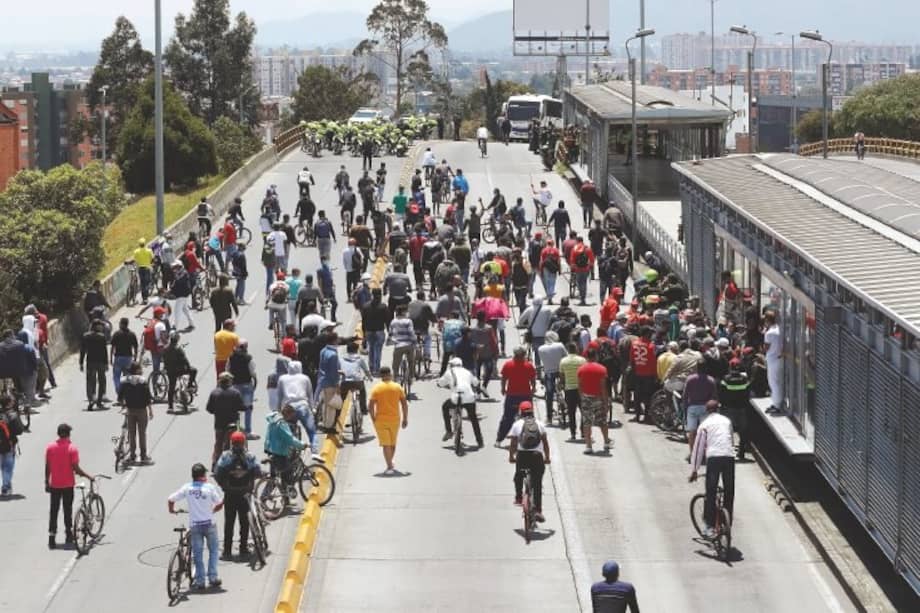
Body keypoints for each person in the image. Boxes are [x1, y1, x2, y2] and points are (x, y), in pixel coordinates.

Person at [168, 463, 224, 590]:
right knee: (213, 551)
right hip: (210, 524)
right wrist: (212, 511)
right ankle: (213, 577)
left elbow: (171, 499)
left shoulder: (187, 488)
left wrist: (172, 510)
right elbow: (220, 503)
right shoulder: (210, 488)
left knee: (197, 554)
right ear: (203, 475)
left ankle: (200, 581)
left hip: (195, 526)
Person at [689, 400, 735, 539]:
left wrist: (695, 470)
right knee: (729, 491)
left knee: (711, 491)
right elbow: (731, 440)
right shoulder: (727, 421)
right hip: (729, 457)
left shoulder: (704, 425)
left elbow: (698, 450)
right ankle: (727, 523)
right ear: (718, 409)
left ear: (707, 411)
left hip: (714, 458)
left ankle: (709, 526)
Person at [214, 431, 261, 560]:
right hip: (245, 493)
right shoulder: (250, 456)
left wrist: (224, 486)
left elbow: (217, 474)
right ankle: (243, 548)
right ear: (244, 442)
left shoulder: (225, 456)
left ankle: (227, 551)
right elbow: (257, 471)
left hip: (230, 494)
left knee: (229, 522)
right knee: (244, 522)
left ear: (231, 442)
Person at [45, 423, 93, 549]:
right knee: (68, 510)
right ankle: (68, 535)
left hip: (54, 485)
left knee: (53, 511)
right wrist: (88, 476)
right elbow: (76, 469)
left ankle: (52, 537)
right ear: (68, 434)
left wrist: (46, 481)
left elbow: (47, 466)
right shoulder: (72, 448)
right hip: (67, 485)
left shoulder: (50, 447)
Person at [509, 400, 549, 523]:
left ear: (521, 412)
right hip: (537, 456)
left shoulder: (517, 424)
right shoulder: (539, 424)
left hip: (522, 456)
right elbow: (545, 443)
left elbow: (514, 443)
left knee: (518, 475)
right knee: (537, 484)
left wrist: (511, 456)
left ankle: (519, 497)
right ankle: (538, 510)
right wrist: (547, 457)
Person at [368, 366, 409, 474]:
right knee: (392, 443)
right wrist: (405, 418)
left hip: (380, 420)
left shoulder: (376, 388)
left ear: (381, 376)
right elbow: (404, 404)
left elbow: (370, 406)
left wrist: (373, 418)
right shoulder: (397, 387)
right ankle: (390, 464)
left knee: (386, 444)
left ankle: (389, 465)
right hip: (395, 419)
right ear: (390, 374)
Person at [437, 357, 484, 448]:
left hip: (456, 398)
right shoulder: (467, 372)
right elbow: (476, 383)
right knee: (473, 418)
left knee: (445, 407)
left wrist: (440, 384)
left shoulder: (449, 372)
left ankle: (449, 431)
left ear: (452, 365)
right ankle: (479, 440)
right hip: (469, 397)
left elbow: (440, 383)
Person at [496, 347, 536, 446]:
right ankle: (532, 438)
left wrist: (503, 389)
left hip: (512, 396)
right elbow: (533, 380)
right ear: (523, 355)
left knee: (507, 418)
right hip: (525, 396)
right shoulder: (529, 365)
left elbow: (504, 379)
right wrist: (533, 389)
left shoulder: (508, 365)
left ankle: (499, 440)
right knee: (529, 418)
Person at [265, 405, 307, 495]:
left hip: (272, 450)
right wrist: (301, 445)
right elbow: (290, 438)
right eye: (291, 415)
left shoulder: (273, 420)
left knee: (278, 477)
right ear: (287, 414)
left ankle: (285, 497)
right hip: (280, 453)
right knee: (284, 475)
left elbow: (270, 436)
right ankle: (265, 496)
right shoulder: (282, 424)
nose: (291, 418)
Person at [206, 372, 246, 467]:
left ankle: (215, 462)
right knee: (231, 443)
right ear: (230, 381)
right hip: (232, 423)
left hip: (219, 423)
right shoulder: (235, 393)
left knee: (218, 443)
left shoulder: (214, 393)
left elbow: (209, 409)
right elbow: (242, 407)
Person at [118, 361, 154, 464]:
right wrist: (150, 410)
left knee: (132, 434)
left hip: (130, 410)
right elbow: (148, 398)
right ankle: (143, 456)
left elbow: (120, 397)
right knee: (142, 433)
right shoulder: (143, 381)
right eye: (140, 368)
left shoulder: (125, 381)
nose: (142, 370)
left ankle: (132, 456)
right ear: (137, 370)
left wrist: (124, 405)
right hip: (142, 410)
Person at [578, 349, 612, 455]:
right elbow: (603, 387)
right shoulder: (602, 369)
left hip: (586, 398)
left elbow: (580, 386)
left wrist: (582, 397)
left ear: (586, 356)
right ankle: (606, 442)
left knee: (587, 422)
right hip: (599, 398)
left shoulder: (581, 369)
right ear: (596, 356)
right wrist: (606, 402)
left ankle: (588, 446)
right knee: (602, 421)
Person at [682, 362, 718, 459]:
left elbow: (685, 396)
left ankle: (692, 454)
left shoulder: (690, 379)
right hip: (705, 408)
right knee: (704, 433)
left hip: (692, 408)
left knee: (692, 432)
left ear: (697, 368)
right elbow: (714, 397)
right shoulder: (711, 380)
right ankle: (704, 454)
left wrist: (685, 410)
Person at [720, 358, 751, 461]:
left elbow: (721, 393)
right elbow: (748, 393)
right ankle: (741, 452)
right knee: (743, 431)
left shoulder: (726, 379)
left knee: (728, 431)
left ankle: (728, 452)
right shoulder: (744, 379)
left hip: (729, 409)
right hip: (742, 408)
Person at [228, 341, 258, 439]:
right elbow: (253, 372)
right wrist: (255, 381)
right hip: (246, 385)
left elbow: (227, 370)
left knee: (236, 409)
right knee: (248, 408)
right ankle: (248, 431)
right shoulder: (248, 358)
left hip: (235, 385)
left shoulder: (231, 357)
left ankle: (236, 430)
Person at [629, 327, 658, 423]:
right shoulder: (651, 346)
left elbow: (632, 360)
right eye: (650, 334)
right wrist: (655, 375)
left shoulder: (634, 344)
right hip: (648, 374)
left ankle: (637, 416)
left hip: (637, 373)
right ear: (646, 334)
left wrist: (634, 372)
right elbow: (654, 362)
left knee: (637, 395)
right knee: (647, 396)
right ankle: (646, 416)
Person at [559, 342, 587, 441]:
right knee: (584, 411)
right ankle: (583, 432)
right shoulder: (582, 360)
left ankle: (573, 433)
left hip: (569, 389)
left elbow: (562, 377)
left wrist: (562, 386)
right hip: (581, 389)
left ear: (568, 350)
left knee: (571, 412)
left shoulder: (563, 361)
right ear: (576, 349)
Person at [163, 332, 197, 413]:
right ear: (177, 340)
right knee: (194, 370)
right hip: (180, 370)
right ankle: (189, 386)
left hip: (170, 371)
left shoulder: (165, 348)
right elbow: (185, 360)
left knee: (171, 387)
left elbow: (164, 359)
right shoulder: (178, 348)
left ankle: (170, 406)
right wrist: (188, 367)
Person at [79, 321, 108, 410]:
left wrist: (81, 362)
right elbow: (104, 351)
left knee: (90, 381)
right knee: (102, 381)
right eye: (100, 326)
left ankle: (91, 399)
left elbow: (83, 350)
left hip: (90, 361)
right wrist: (106, 363)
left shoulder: (86, 336)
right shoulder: (102, 337)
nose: (101, 328)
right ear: (96, 326)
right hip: (100, 362)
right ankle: (99, 401)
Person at [0, 395, 25, 496]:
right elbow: (20, 430)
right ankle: (5, 487)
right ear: (9, 403)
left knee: (3, 466)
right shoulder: (13, 415)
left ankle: (7, 484)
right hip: (9, 445)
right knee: (8, 466)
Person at [362, 289, 390, 375]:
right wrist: (389, 332)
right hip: (379, 331)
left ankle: (371, 367)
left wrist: (364, 335)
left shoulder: (365, 306)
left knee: (371, 349)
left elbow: (364, 321)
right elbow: (387, 320)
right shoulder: (383, 306)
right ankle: (377, 368)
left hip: (369, 331)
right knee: (378, 350)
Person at [110, 317, 138, 400]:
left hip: (118, 358)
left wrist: (111, 358)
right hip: (128, 358)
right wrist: (135, 358)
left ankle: (119, 394)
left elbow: (112, 347)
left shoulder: (116, 334)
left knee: (116, 377)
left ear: (121, 324)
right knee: (128, 377)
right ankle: (127, 394)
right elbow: (135, 347)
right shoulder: (132, 334)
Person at [763, 312, 783, 414]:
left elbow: (766, 348)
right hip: (779, 358)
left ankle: (777, 405)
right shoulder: (779, 329)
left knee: (773, 382)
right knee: (777, 381)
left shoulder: (769, 333)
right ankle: (776, 402)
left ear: (768, 320)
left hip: (772, 359)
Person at [569, 237, 595, 306]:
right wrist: (589, 267)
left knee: (579, 283)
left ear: (577, 241)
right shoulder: (587, 249)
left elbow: (572, 260)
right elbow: (592, 259)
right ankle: (583, 298)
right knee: (584, 283)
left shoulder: (574, 248)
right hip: (585, 269)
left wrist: (573, 267)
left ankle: (581, 297)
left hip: (578, 269)